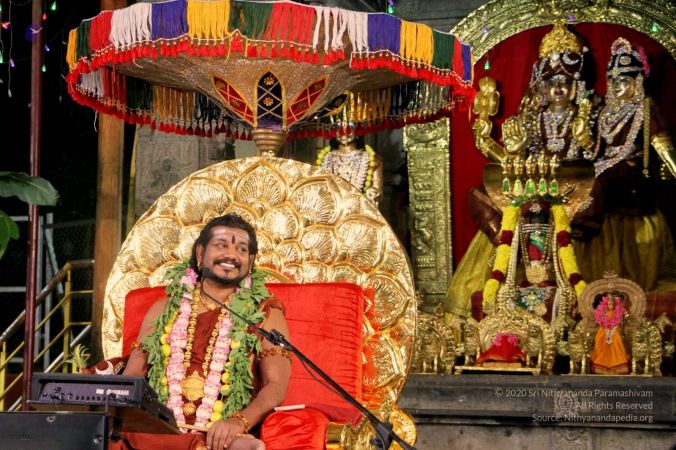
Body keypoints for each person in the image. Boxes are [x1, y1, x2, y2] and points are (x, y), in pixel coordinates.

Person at [446, 22, 594, 319]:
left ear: (577, 85)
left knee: (589, 198)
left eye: (565, 81)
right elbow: (513, 161)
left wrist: (585, 140)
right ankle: (507, 247)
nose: (558, 88)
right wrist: (512, 149)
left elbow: (595, 160)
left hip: (570, 187)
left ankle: (557, 260)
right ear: (540, 86)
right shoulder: (531, 118)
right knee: (478, 194)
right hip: (532, 185)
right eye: (551, 82)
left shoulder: (586, 115)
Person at [117, 213, 292, 450]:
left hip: (223, 436)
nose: (231, 255)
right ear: (200, 254)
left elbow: (276, 385)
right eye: (221, 245)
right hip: (162, 431)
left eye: (242, 249)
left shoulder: (265, 312)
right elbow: (133, 376)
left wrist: (238, 422)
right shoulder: (164, 309)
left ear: (250, 261)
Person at [572, 37, 676, 291]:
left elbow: (662, 144)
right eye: (614, 81)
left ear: (637, 82)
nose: (618, 87)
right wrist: (584, 138)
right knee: (582, 176)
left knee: (601, 179)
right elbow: (596, 150)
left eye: (624, 81)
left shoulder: (646, 109)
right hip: (606, 165)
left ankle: (583, 226)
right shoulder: (605, 112)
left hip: (632, 168)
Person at [316, 124, 384, 205]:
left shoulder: (372, 160)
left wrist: (371, 193)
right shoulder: (323, 159)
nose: (344, 132)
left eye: (350, 127)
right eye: (338, 128)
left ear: (358, 130)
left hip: (358, 207)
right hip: (330, 206)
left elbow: (378, 191)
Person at [589, 294, 630, 375]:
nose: (610, 305)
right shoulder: (603, 312)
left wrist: (624, 315)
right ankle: (601, 365)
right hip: (604, 330)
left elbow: (622, 320)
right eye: (609, 304)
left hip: (615, 329)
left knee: (617, 339)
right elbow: (600, 321)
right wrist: (604, 323)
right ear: (606, 304)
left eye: (612, 304)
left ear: (615, 304)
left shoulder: (618, 311)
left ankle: (617, 365)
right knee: (599, 338)